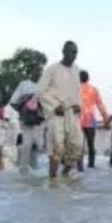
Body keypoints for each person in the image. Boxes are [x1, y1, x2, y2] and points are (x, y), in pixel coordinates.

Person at [38, 41, 83, 178]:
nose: (73, 55)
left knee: (77, 146)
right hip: (56, 113)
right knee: (57, 147)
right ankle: (52, 180)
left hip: (72, 113)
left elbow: (77, 90)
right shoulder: (52, 69)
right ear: (63, 52)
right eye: (71, 52)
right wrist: (53, 106)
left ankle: (64, 175)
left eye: (75, 52)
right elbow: (40, 91)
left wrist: (77, 104)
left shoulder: (76, 69)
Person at [10, 64, 45, 172]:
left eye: (41, 72)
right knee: (27, 144)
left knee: (39, 144)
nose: (39, 74)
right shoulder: (24, 84)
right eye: (37, 71)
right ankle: (23, 169)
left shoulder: (43, 86)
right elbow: (13, 102)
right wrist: (23, 112)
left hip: (40, 120)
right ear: (31, 72)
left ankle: (34, 167)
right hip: (26, 120)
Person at [78, 70, 110, 171]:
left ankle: (80, 167)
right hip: (90, 120)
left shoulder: (75, 89)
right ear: (88, 78)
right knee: (91, 144)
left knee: (79, 145)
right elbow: (101, 106)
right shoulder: (94, 89)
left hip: (77, 121)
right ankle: (91, 165)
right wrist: (106, 120)